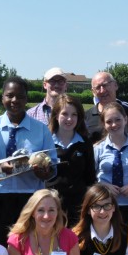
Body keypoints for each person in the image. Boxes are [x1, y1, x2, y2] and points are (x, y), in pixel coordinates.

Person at [0, 76, 55, 246]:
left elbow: (52, 167)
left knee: (28, 246)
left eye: (20, 96)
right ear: (2, 98)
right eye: (10, 95)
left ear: (27, 98)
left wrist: (43, 171)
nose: (14, 100)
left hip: (30, 199)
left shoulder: (41, 130)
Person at [47, 94, 95, 224]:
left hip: (78, 206)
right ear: (56, 116)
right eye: (65, 114)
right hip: (51, 206)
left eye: (74, 114)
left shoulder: (85, 143)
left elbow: (90, 178)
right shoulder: (46, 142)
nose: (69, 119)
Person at [93, 102, 128, 232]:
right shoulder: (98, 149)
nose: (114, 125)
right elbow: (88, 177)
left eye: (118, 120)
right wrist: (103, 185)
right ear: (103, 124)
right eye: (109, 121)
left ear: (125, 119)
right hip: (103, 206)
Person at [85, 71, 128, 140]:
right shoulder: (85, 118)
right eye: (98, 87)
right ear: (93, 92)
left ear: (115, 85)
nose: (102, 90)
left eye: (105, 85)